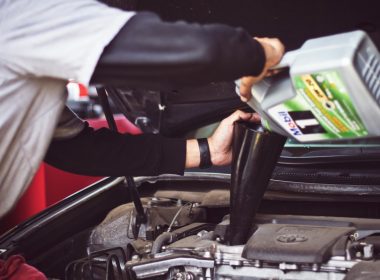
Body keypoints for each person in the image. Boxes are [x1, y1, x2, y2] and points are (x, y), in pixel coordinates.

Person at [0, 0, 284, 218]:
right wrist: (261, 53)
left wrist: (208, 150)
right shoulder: (21, 15)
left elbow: (72, 148)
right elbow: (192, 51)